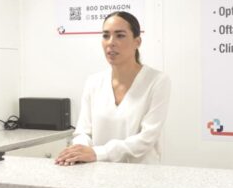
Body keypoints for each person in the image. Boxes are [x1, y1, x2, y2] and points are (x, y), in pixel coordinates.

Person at [55, 11, 170, 165]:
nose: (111, 42)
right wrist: (78, 151)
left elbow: (147, 138)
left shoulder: (157, 81)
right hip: (99, 170)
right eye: (105, 36)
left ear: (137, 42)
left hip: (141, 173)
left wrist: (98, 153)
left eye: (120, 35)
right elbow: (83, 132)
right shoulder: (94, 82)